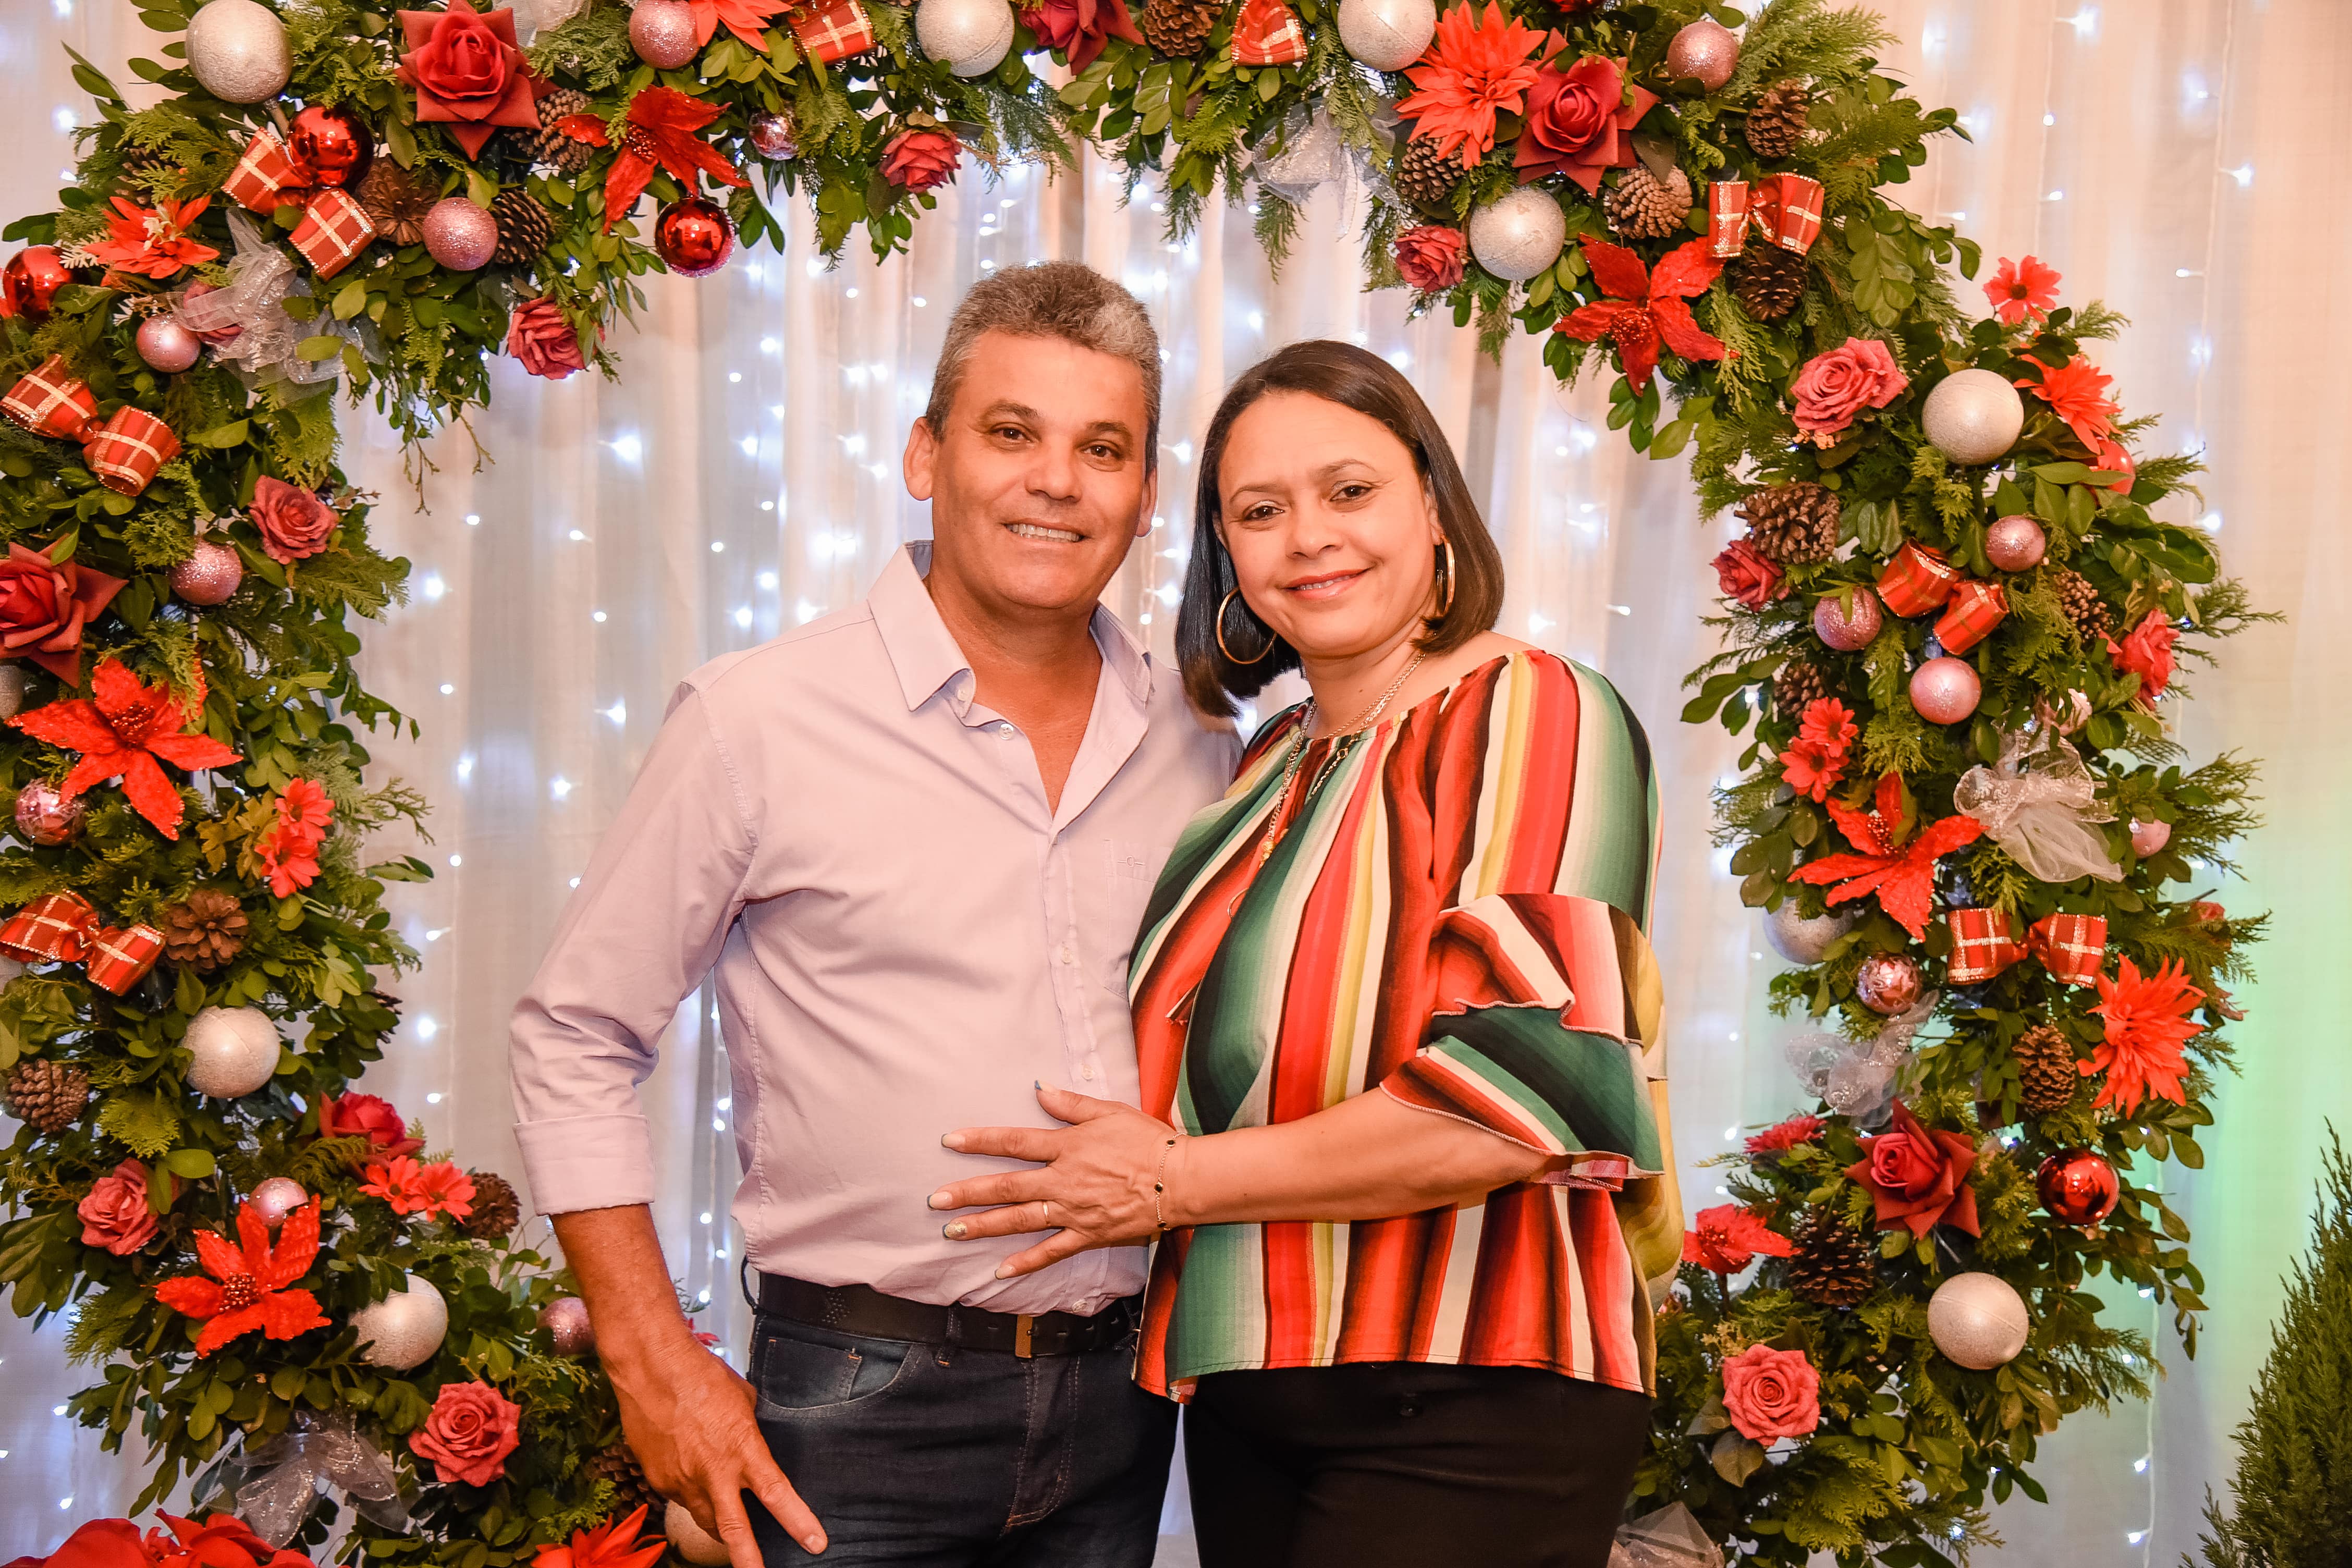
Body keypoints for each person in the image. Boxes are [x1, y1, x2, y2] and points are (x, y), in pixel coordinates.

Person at [508, 262, 1237, 1568]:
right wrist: (648, 1354)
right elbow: (575, 1034)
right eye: (1011, 431)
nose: (1056, 481)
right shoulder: (760, 718)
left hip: (1130, 1406)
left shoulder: (1201, 741)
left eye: (1102, 448)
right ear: (925, 454)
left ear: (1142, 497)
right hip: (856, 1404)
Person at [925, 340, 1682, 1568]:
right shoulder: (1260, 768)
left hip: (1468, 1386)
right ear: (1227, 555)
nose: (1309, 538)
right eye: (1261, 511)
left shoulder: (1529, 707)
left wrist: (1171, 1182)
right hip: (1251, 1391)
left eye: (1350, 491)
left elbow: (1525, 1098)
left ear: (1431, 505)